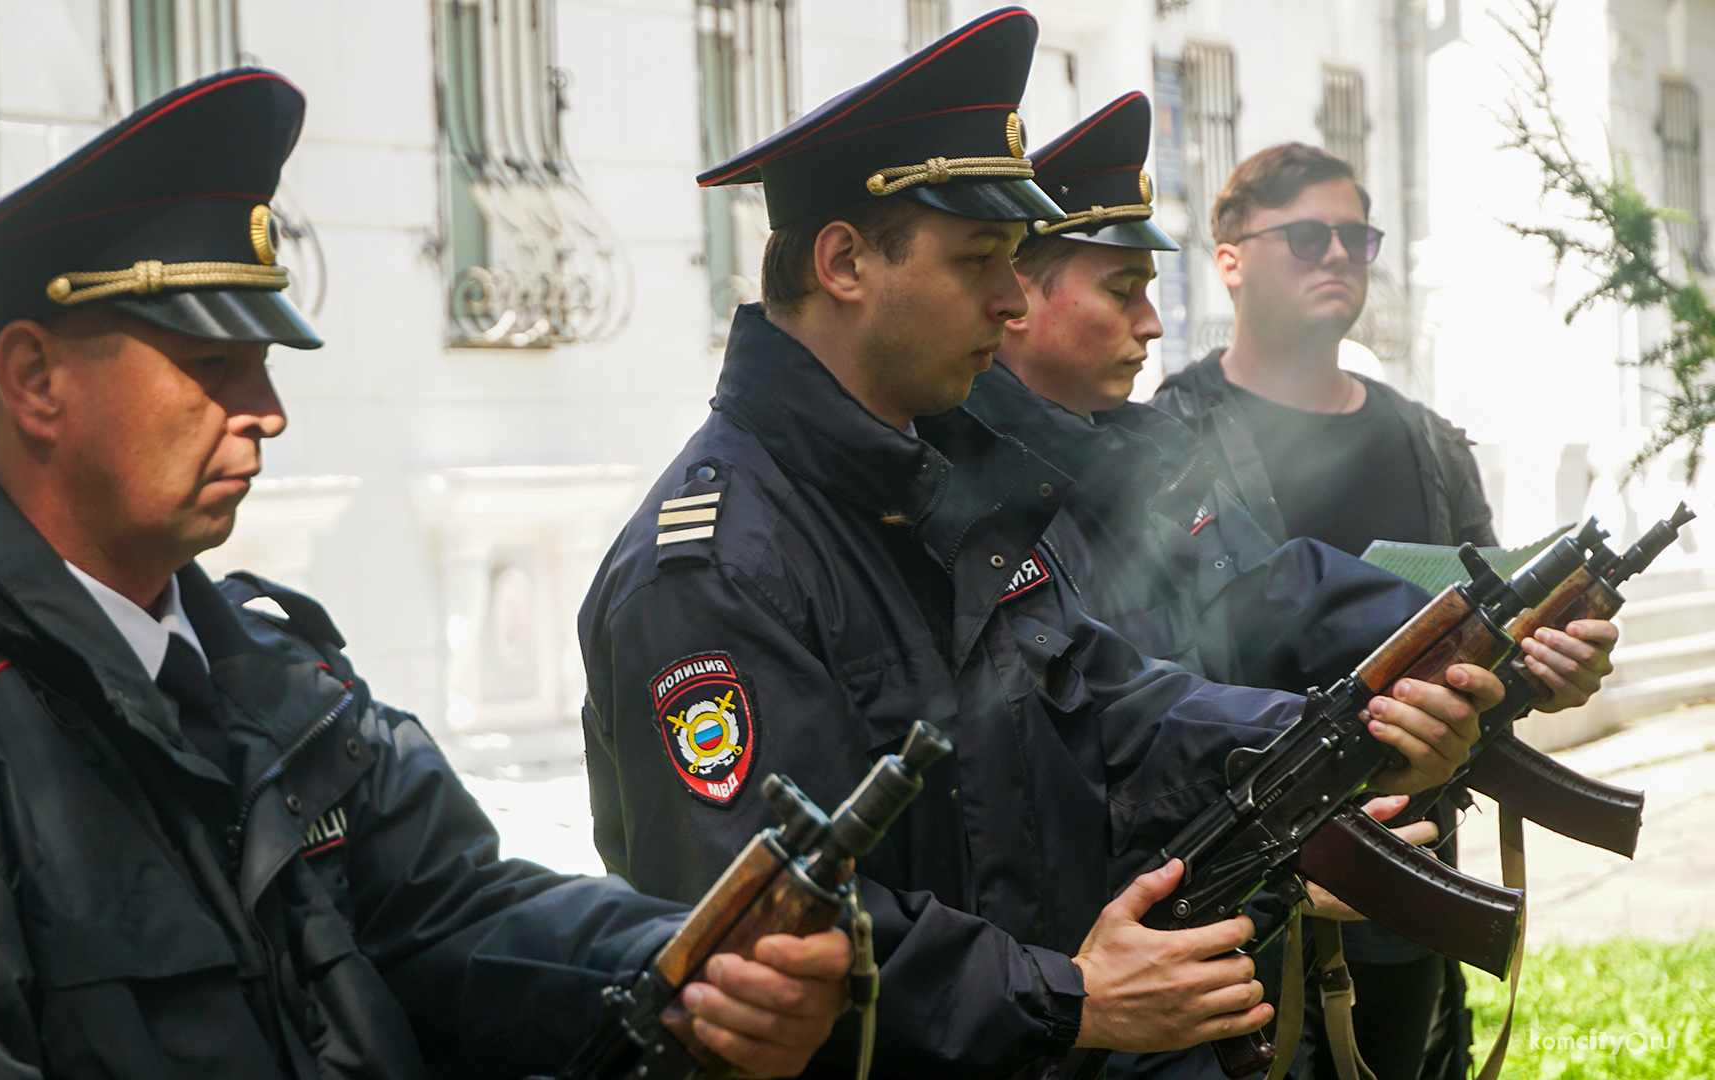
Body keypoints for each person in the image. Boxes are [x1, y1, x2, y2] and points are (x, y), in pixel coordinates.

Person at [0, 68, 852, 1080]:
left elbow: (454, 911)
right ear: (34, 380)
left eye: (264, 360)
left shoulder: (264, 676)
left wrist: (687, 962)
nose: (268, 409)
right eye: (214, 367)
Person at [578, 12, 1503, 1078]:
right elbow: (764, 934)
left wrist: (1350, 731)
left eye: (1017, 262)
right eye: (981, 260)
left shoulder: (943, 493)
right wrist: (1070, 998)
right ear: (843, 262)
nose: (1012, 300)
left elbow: (1114, 713)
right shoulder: (712, 567)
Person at [969, 99, 1618, 1080]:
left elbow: (1282, 591)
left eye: (1357, 236)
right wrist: (1287, 812)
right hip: (1102, 979)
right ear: (1018, 295)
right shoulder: (1010, 489)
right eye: (1124, 289)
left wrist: (1514, 633)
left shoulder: (1149, 459)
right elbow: (1080, 745)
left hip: (1248, 923)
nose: (1150, 319)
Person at [1149, 144, 1618, 1080]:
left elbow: (1496, 638)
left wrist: (1553, 669)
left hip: (1414, 853)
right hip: (1250, 870)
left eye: (1355, 236)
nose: (1337, 255)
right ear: (1229, 258)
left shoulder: (1425, 440)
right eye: (1306, 235)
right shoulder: (1169, 434)